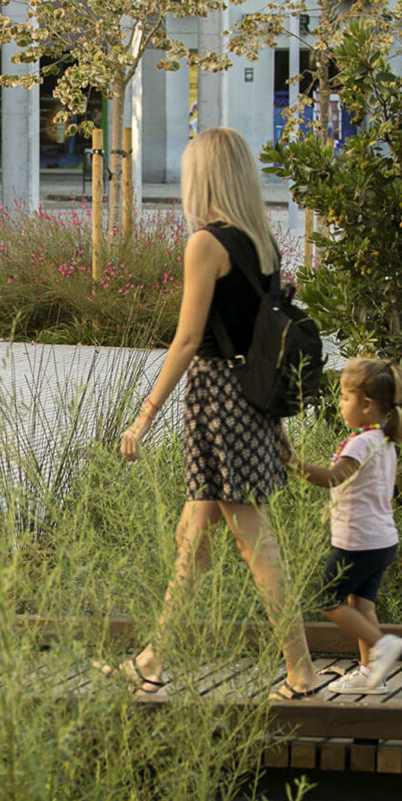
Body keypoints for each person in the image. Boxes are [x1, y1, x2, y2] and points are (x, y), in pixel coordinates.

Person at [117, 126, 323, 701]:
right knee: (193, 535)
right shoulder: (263, 244)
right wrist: (274, 426)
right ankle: (154, 659)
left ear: (201, 176)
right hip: (250, 402)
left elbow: (187, 342)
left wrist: (143, 417)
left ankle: (302, 671)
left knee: (254, 540)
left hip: (217, 400)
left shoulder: (205, 243)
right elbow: (264, 341)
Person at [284, 359, 402, 695]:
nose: (340, 404)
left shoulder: (359, 444)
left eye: (344, 398)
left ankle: (380, 645)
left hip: (359, 542)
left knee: (327, 599)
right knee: (361, 605)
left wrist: (293, 463)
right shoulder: (383, 441)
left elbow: (331, 478)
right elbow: (388, 487)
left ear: (366, 405)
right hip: (382, 540)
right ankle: (372, 676)